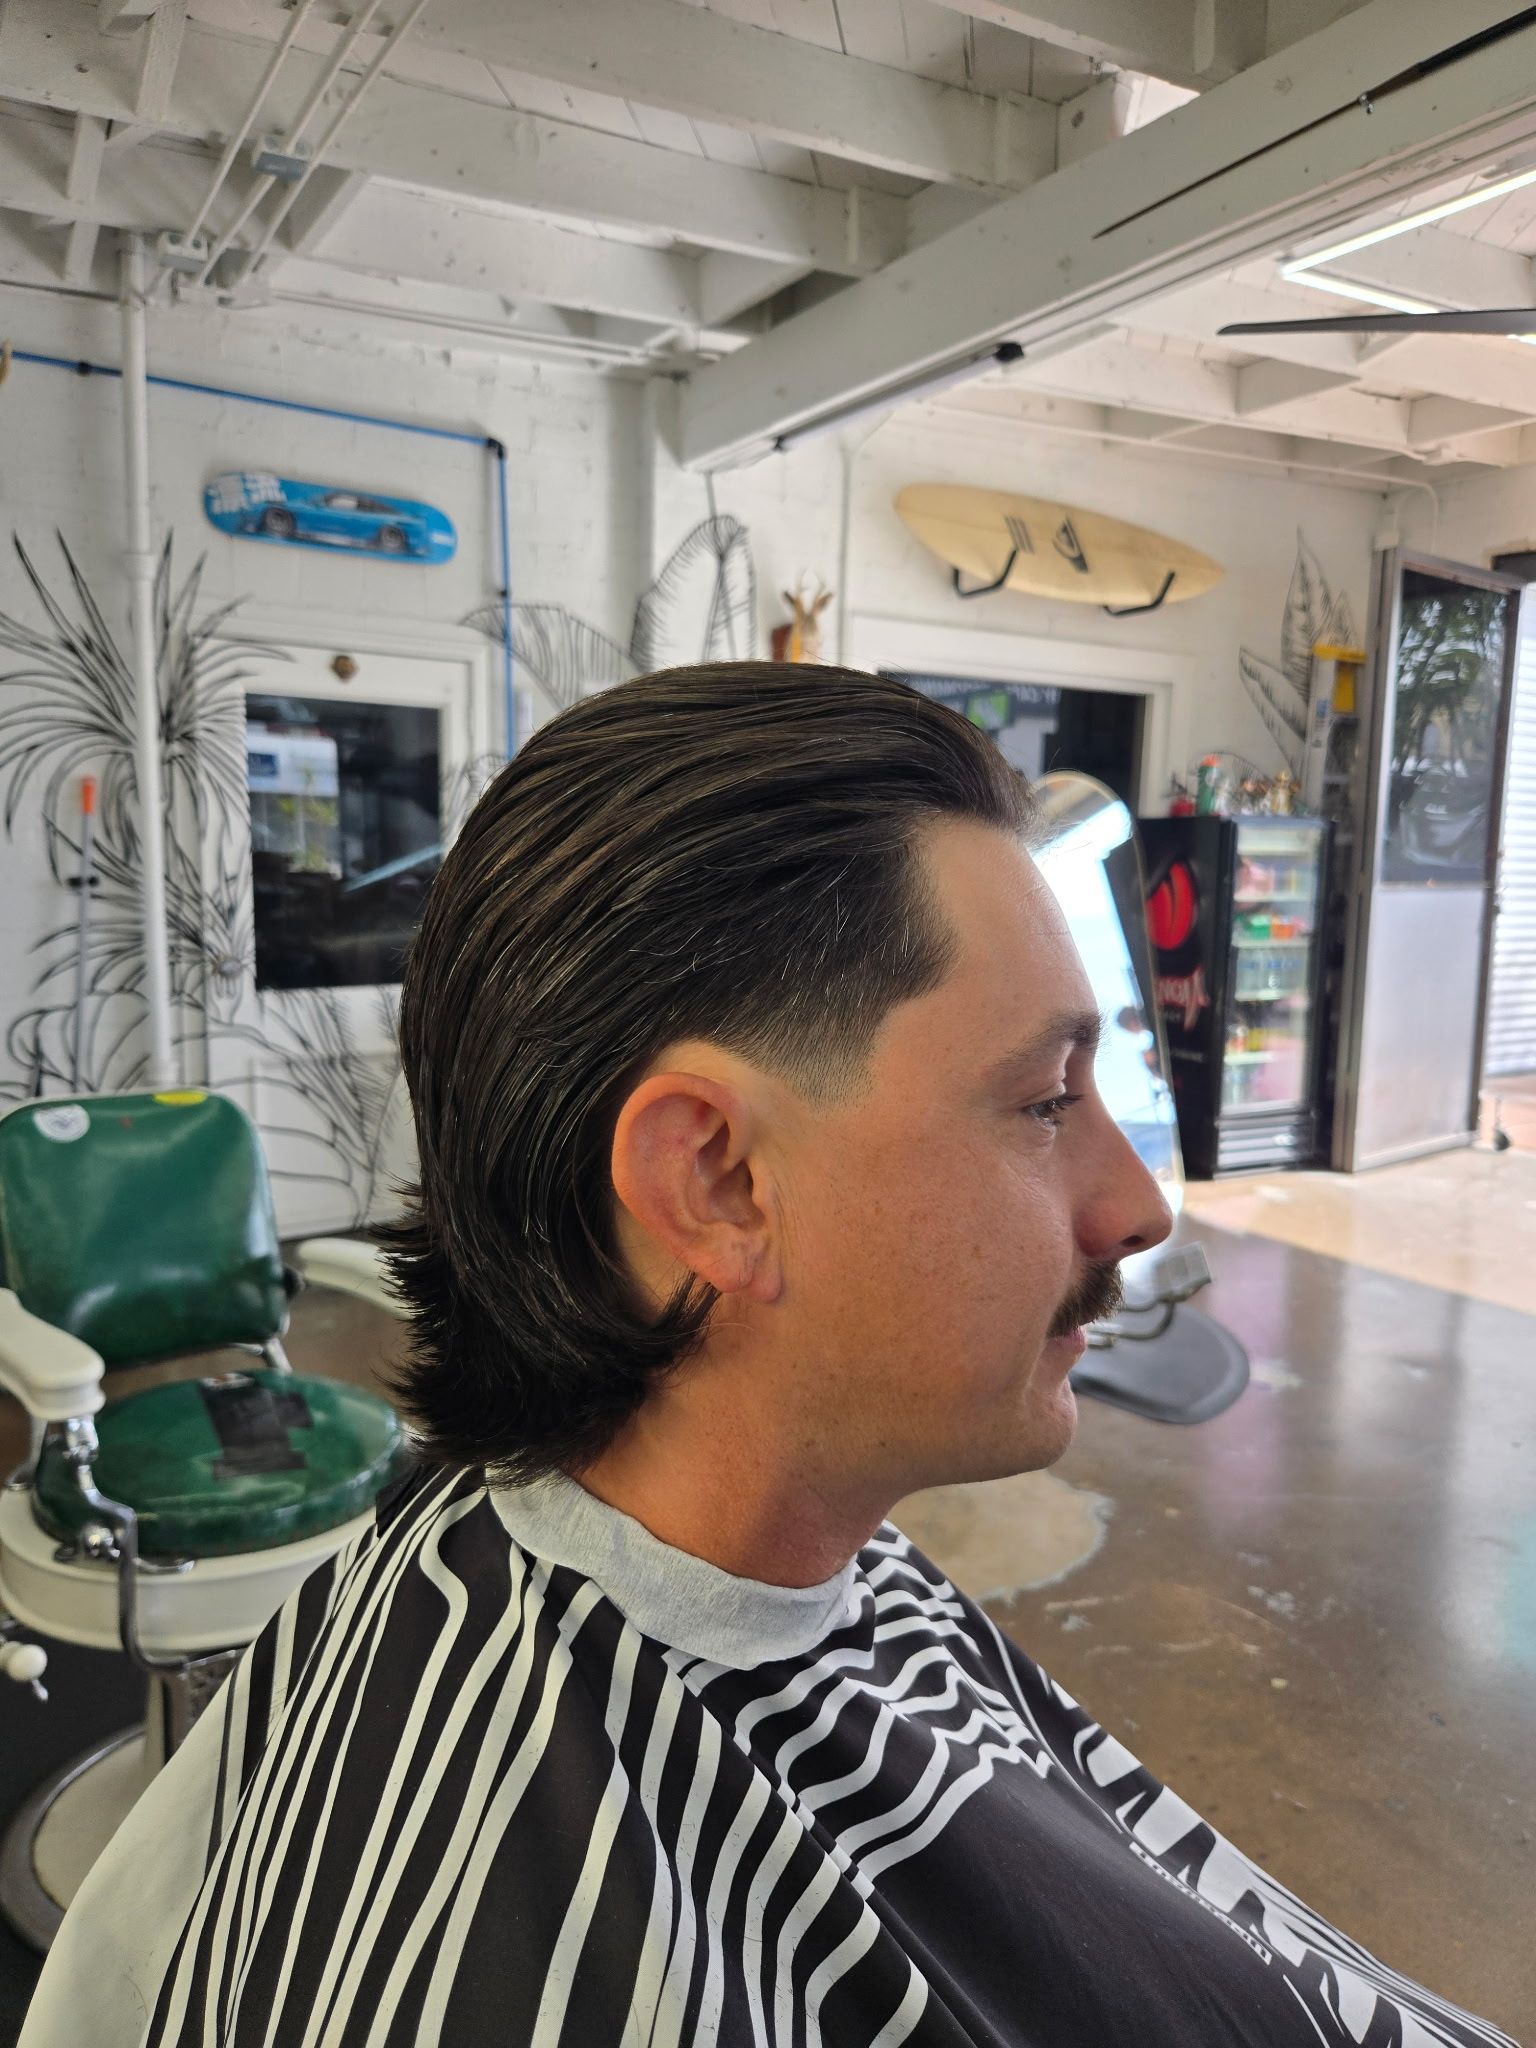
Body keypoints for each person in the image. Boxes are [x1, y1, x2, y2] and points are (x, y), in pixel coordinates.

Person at [22, 665, 1515, 2048]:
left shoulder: (748, 1572)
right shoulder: (542, 1935)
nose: (1133, 1204)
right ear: (718, 1183)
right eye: (1045, 1102)